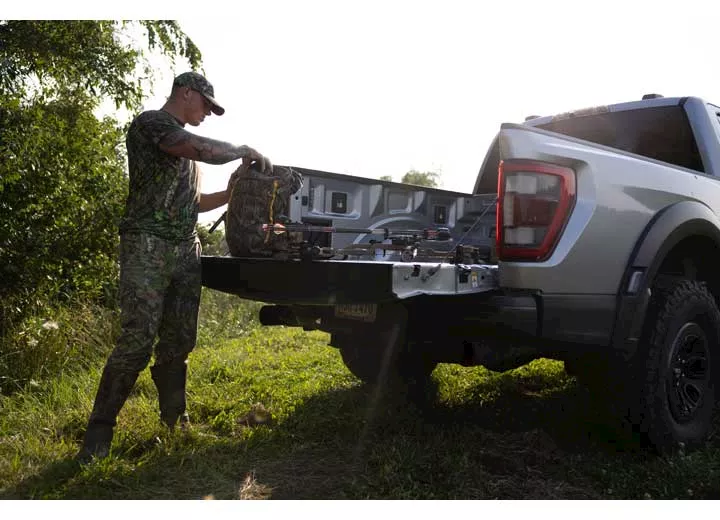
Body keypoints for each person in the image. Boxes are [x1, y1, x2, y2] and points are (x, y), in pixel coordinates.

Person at [77, 71, 272, 462]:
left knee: (180, 340)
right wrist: (241, 149)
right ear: (186, 93)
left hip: (186, 249)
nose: (208, 114)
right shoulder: (154, 125)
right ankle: (98, 434)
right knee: (137, 338)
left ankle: (173, 421)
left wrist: (234, 191)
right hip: (147, 246)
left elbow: (193, 204)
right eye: (206, 106)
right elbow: (195, 147)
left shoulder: (188, 152)